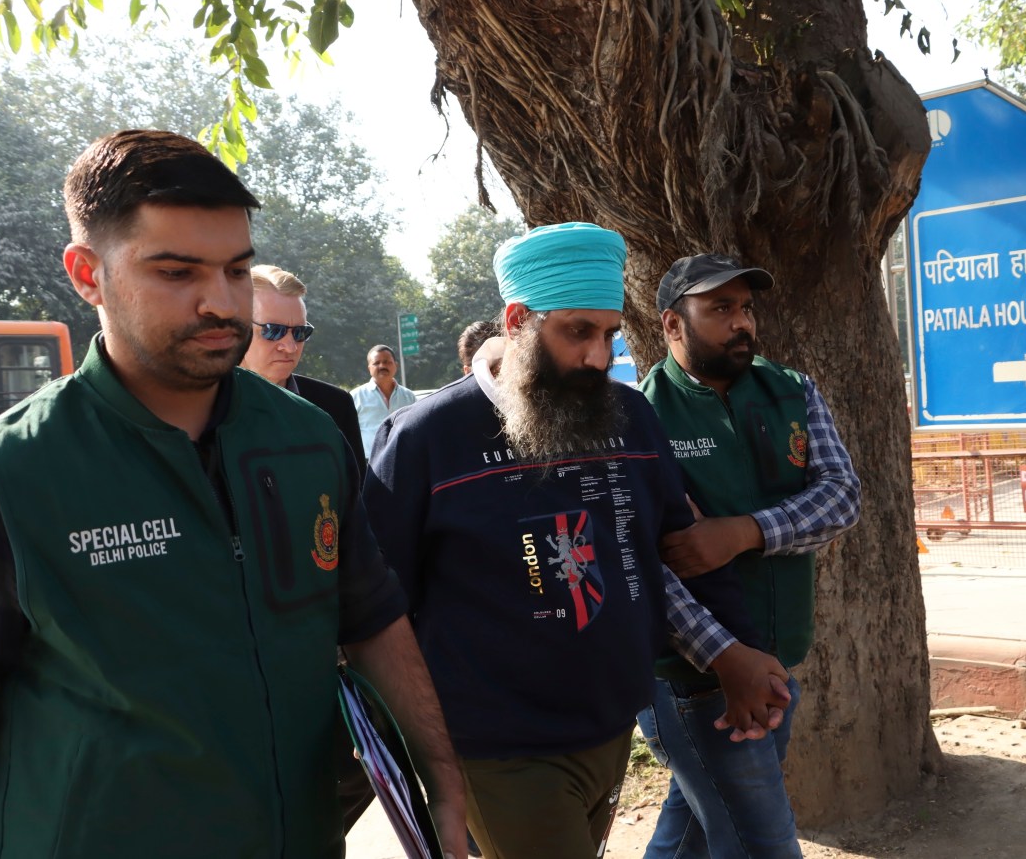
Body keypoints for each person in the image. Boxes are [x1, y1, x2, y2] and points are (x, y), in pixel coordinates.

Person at [0, 129, 466, 859]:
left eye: (236, 271)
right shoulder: (10, 476)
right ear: (87, 274)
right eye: (176, 272)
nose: (219, 303)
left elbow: (371, 620)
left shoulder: (308, 440)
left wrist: (444, 780)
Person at [363, 223, 792, 859]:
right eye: (578, 331)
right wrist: (421, 764)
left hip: (612, 730)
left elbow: (683, 546)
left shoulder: (628, 414)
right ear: (516, 319)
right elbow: (378, 610)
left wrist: (740, 653)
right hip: (498, 748)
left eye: (610, 334)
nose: (600, 356)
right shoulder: (426, 438)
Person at [638, 252, 861, 858]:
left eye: (745, 308)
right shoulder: (642, 417)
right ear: (672, 325)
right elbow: (651, 564)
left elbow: (841, 497)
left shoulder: (791, 390)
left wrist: (744, 532)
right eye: (719, 309)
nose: (741, 323)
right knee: (762, 841)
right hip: (696, 675)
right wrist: (725, 657)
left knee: (690, 829)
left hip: (775, 658)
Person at [241, 264, 366, 481]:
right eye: (273, 331)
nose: (289, 346)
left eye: (300, 332)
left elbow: (357, 501)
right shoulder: (199, 409)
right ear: (237, 328)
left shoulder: (335, 406)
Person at [351, 344, 416, 458]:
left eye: (387, 362)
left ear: (396, 365)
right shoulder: (356, 396)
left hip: (404, 459)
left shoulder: (409, 396)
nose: (382, 366)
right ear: (369, 367)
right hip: (369, 463)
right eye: (376, 363)